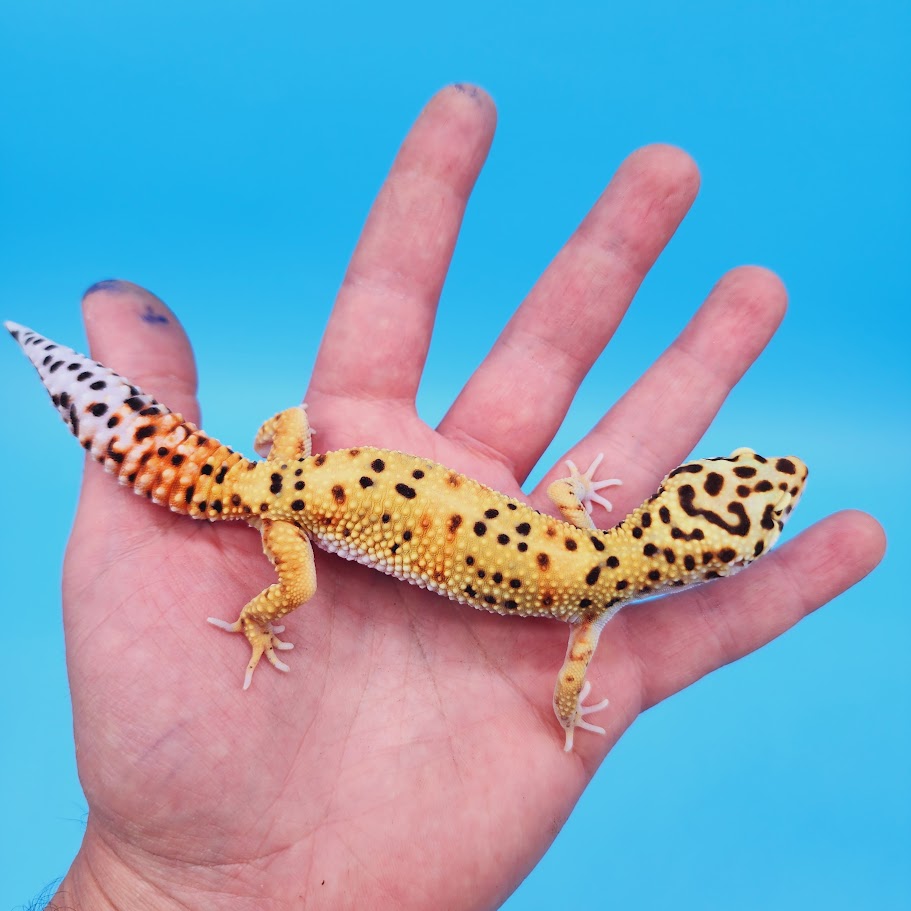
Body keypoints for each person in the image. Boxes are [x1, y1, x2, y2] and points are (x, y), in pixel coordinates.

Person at [44, 85, 884, 910]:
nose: (782, 483)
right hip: (292, 504)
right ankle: (256, 617)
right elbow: (568, 683)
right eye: (755, 484)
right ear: (698, 554)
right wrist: (567, 713)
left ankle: (241, 444)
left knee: (281, 443)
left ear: (679, 512)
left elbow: (561, 489)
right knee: (292, 588)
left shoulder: (583, 550)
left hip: (306, 466)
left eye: (758, 497)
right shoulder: (586, 611)